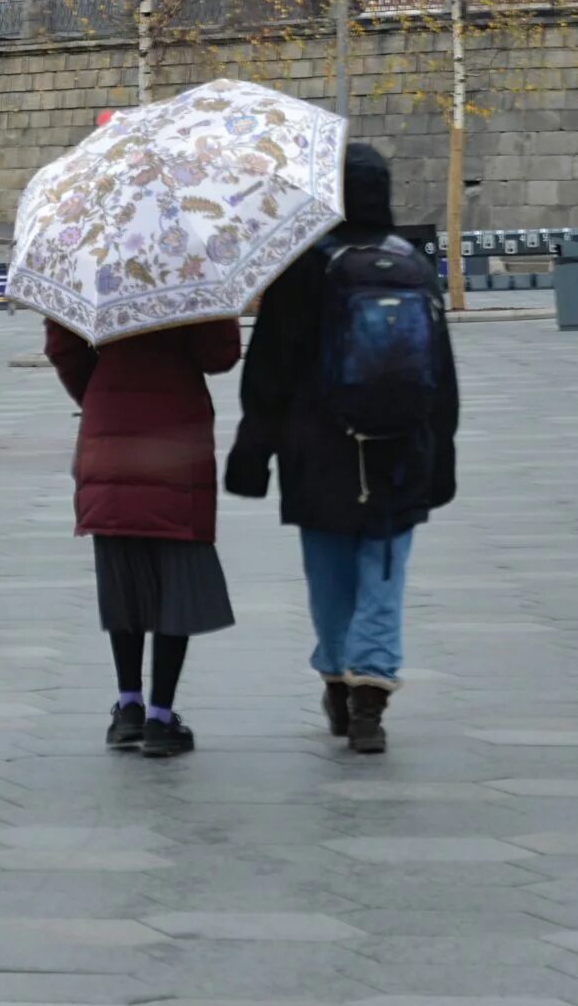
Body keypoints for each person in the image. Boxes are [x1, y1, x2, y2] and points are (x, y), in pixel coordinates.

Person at [227, 142, 458, 755]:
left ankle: (336, 675)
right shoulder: (411, 262)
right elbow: (441, 373)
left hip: (318, 453)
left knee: (328, 576)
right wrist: (444, 460)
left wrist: (252, 455)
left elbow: (269, 373)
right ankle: (370, 699)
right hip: (402, 452)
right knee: (384, 573)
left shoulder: (302, 267)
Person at [46, 314, 242, 758]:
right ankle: (159, 716)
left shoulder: (92, 258)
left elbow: (63, 345)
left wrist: (99, 394)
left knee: (121, 570)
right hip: (177, 431)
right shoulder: (191, 263)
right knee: (177, 575)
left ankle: (128, 708)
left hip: (109, 434)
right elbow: (220, 356)